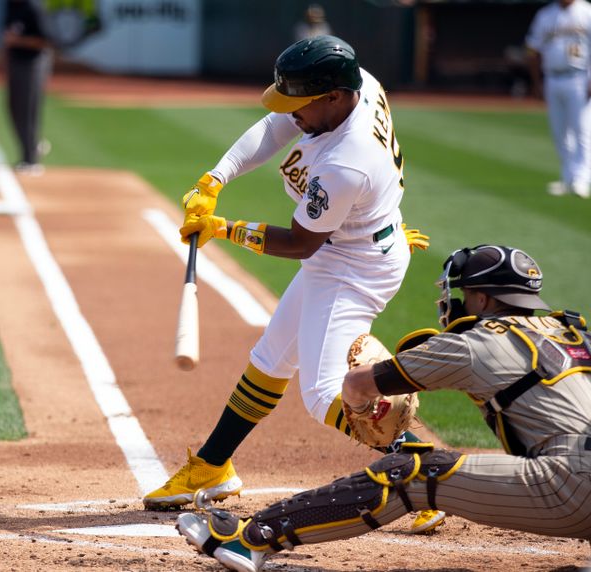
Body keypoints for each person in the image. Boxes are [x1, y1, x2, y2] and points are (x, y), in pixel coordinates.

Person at [142, 35, 443, 534]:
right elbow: (276, 124)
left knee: (325, 393)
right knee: (270, 359)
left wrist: (224, 229)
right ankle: (214, 466)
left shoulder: (347, 162)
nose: (293, 115)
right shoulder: (354, 86)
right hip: (353, 243)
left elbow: (302, 242)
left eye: (301, 104)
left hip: (352, 263)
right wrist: (213, 180)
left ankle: (421, 469)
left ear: (332, 97)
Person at [176, 244, 591, 572]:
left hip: (569, 486)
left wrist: (361, 411)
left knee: (409, 472)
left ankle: (250, 539)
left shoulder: (473, 342)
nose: (458, 302)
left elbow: (359, 384)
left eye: (464, 294)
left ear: (483, 299)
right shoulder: (572, 331)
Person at [526, 0, 591, 198]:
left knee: (582, 129)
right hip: (553, 78)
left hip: (579, 77)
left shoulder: (586, 12)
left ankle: (582, 178)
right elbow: (533, 48)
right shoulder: (545, 15)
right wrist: (536, 82)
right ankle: (567, 177)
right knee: (560, 132)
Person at [3, 0, 56, 176]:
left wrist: (18, 41)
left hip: (34, 62)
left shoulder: (33, 8)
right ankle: (33, 146)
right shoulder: (11, 5)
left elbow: (44, 41)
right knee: (13, 107)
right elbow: (7, 35)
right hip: (16, 61)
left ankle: (31, 159)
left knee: (28, 108)